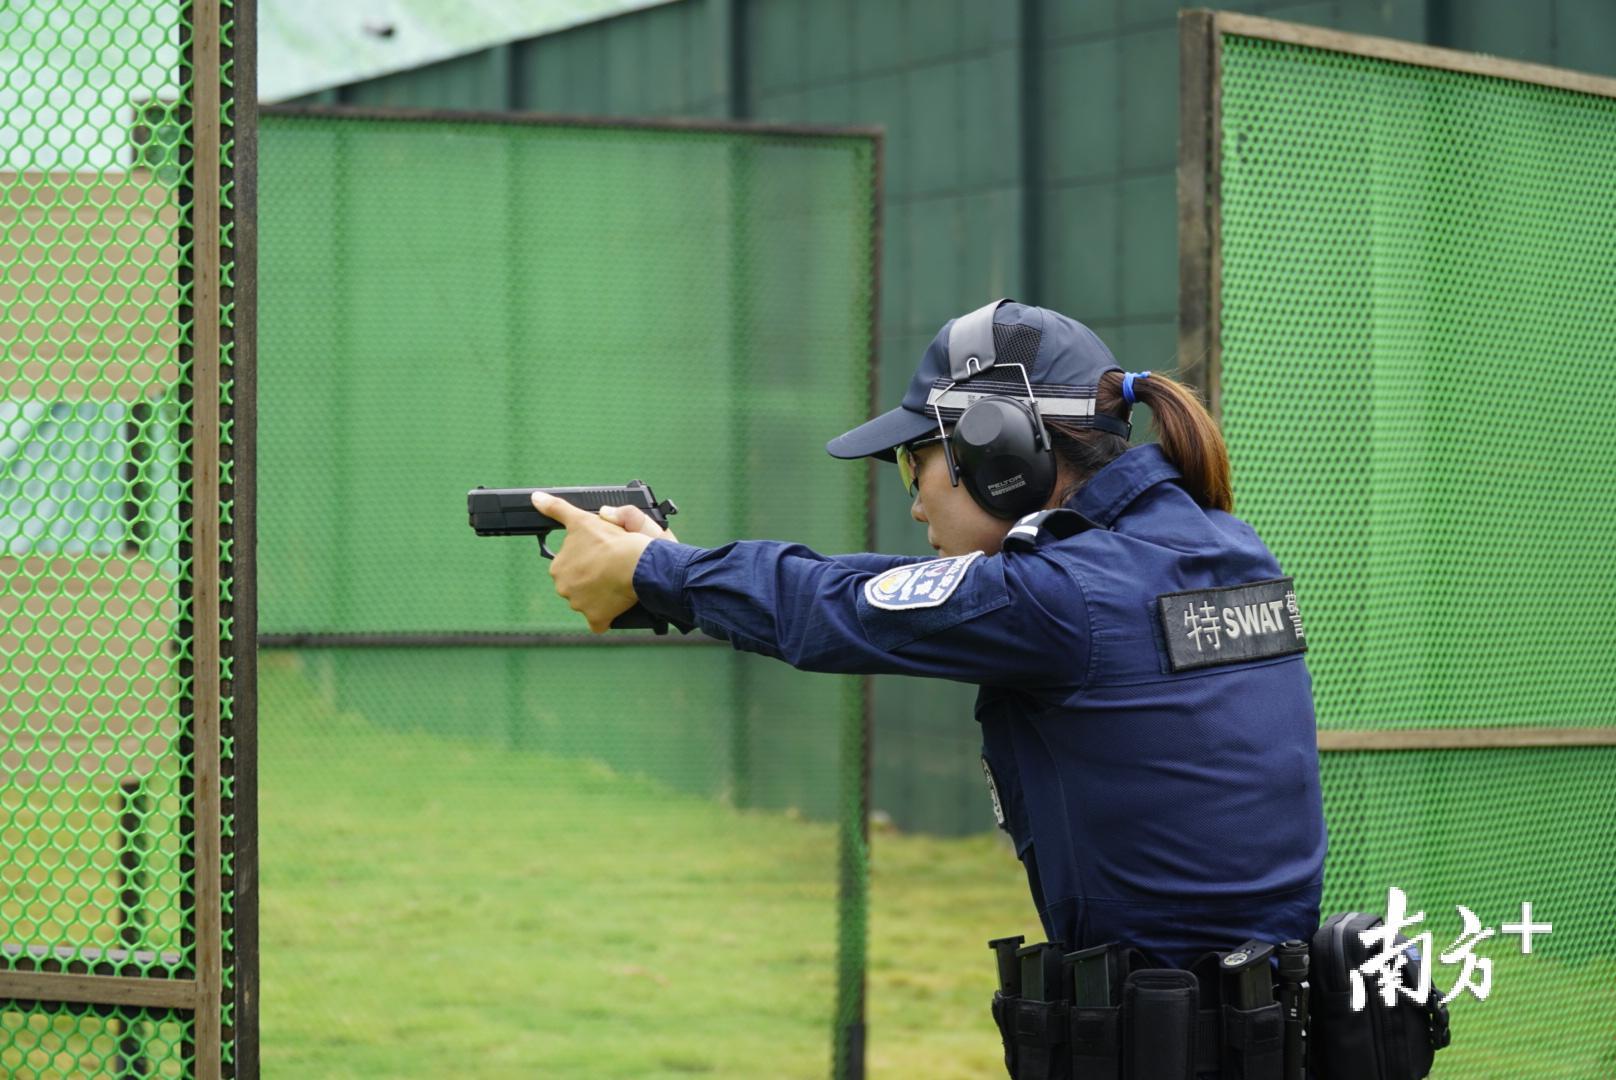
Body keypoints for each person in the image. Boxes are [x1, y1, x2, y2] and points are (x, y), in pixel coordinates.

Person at [532, 299, 1327, 1014]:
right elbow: (884, 590)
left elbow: (836, 606)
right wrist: (671, 566)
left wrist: (656, 571)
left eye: (918, 463)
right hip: (1266, 1031)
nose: (915, 503)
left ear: (1000, 451)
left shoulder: (1068, 598)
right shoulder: (1226, 547)